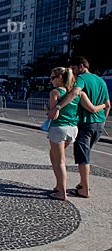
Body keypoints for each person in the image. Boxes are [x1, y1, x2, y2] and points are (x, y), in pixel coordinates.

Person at [48, 56, 111, 198]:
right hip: (98, 123)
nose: (73, 73)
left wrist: (57, 107)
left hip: (84, 123)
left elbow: (75, 92)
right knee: (80, 154)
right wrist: (102, 121)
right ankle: (81, 185)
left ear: (81, 66)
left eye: (74, 69)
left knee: (82, 157)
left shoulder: (81, 79)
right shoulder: (101, 80)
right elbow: (107, 104)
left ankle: (84, 188)